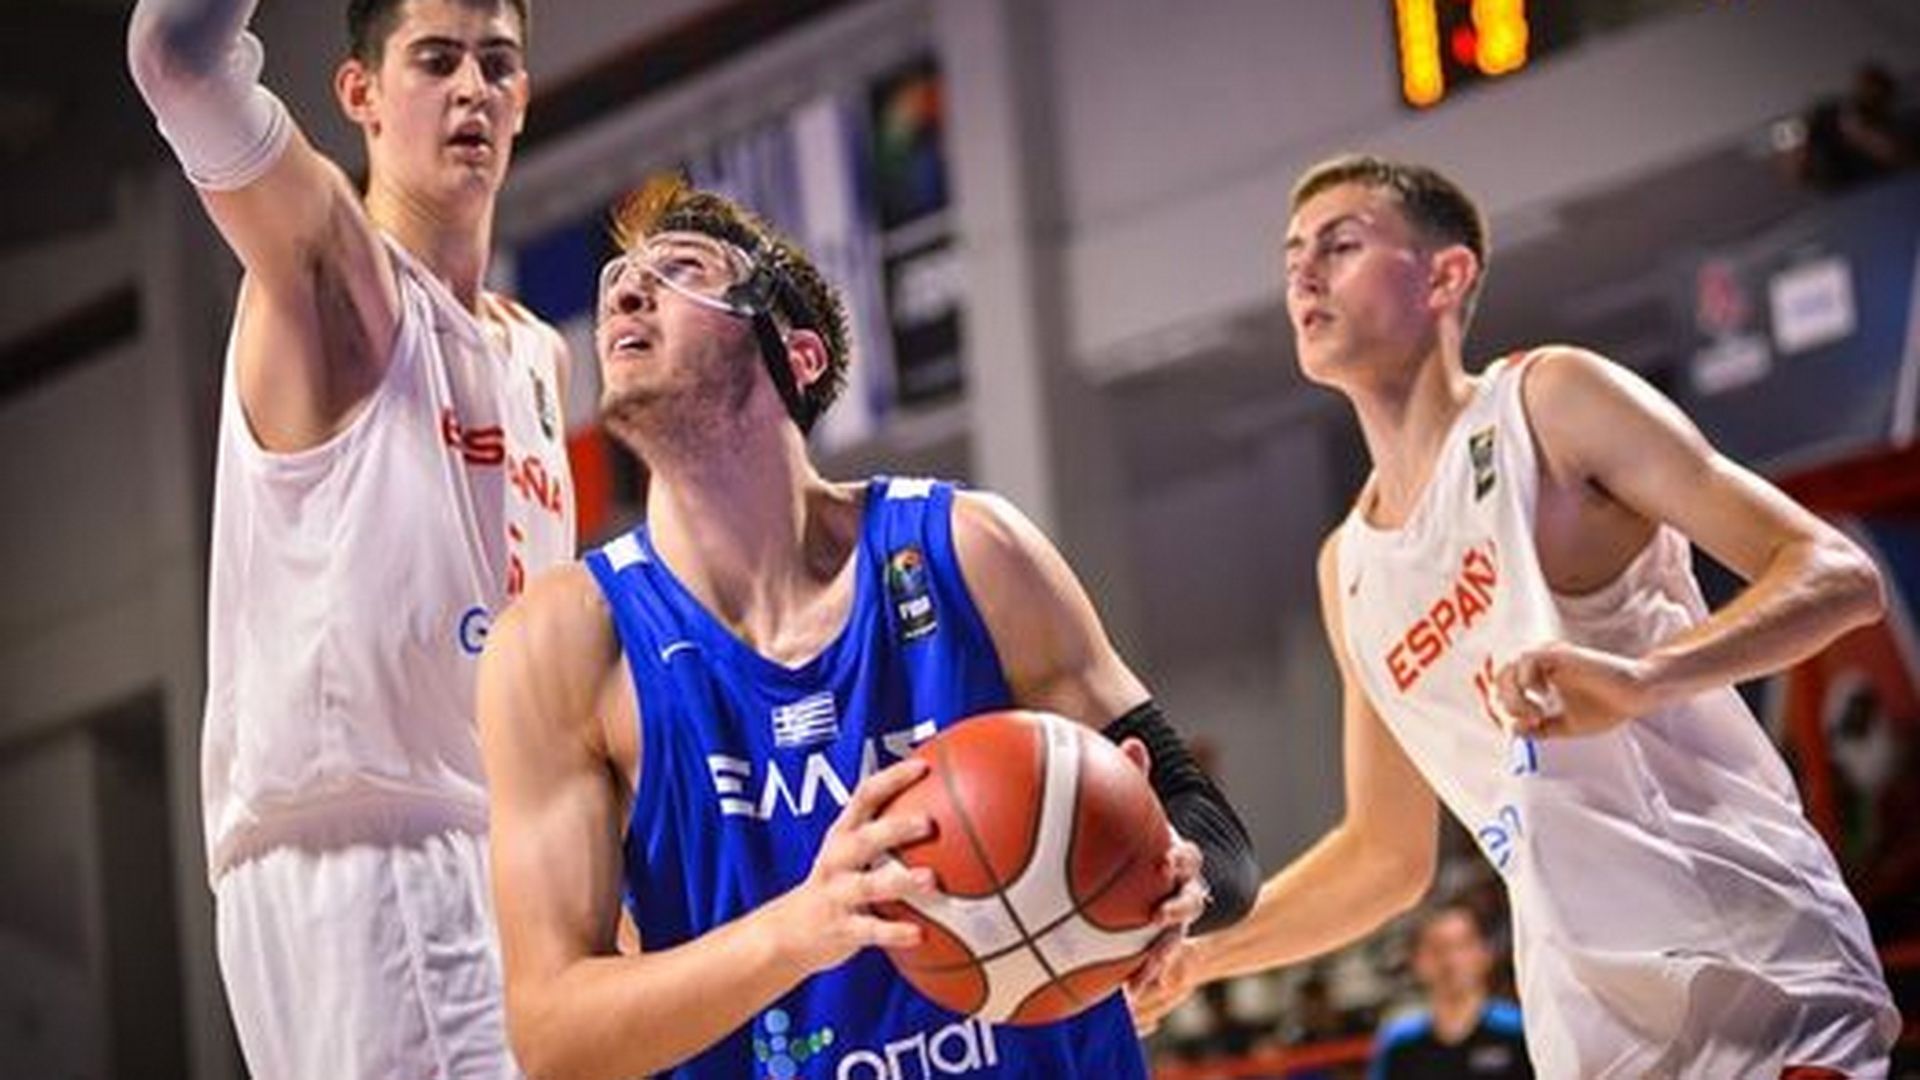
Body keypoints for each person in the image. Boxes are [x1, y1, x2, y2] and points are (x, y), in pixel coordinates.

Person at [1130, 154, 1901, 1078]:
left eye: (1341, 245)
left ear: (1446, 276)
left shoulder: (1551, 404)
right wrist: (1205, 958)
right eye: (1294, 255)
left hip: (1755, 964)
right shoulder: (1349, 567)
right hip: (1594, 1031)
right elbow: (1384, 857)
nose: (1304, 275)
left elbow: (1835, 571)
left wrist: (1643, 680)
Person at [475, 176, 1260, 1079]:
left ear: (797, 353)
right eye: (619, 280)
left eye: (681, 270)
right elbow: (552, 1035)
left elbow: (1215, 837)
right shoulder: (567, 641)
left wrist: (1168, 885)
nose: (626, 293)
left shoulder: (968, 549)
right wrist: (802, 930)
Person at [127, 1, 574, 1076]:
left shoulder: (540, 357)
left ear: (523, 98)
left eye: (496, 65)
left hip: (498, 842)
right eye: (436, 60)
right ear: (360, 94)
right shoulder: (338, 275)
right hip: (370, 853)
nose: (471, 90)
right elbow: (174, 58)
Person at [1370, 903, 1530, 1080]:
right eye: (1438, 948)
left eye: (1462, 946)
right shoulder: (1399, 1044)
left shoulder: (1518, 1031)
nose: (1451, 960)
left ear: (1485, 953)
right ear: (1417, 960)